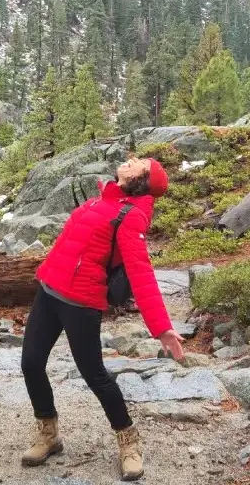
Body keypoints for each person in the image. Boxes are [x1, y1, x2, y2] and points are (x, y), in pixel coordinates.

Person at [20, 156, 185, 481]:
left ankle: (128, 441)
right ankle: (49, 433)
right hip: (50, 290)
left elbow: (140, 272)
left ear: (142, 180)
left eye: (141, 163)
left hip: (81, 302)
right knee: (31, 363)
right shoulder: (102, 199)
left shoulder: (131, 216)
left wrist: (162, 328)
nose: (131, 160)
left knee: (94, 374)